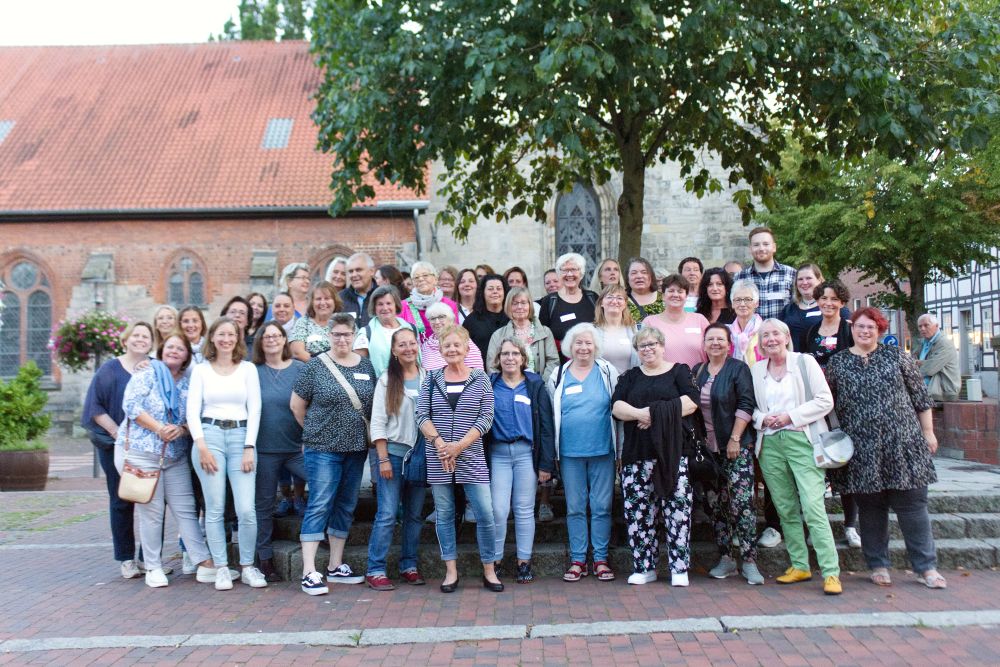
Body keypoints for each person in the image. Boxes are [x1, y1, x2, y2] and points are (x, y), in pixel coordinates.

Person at [827, 307, 946, 589]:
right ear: (851, 329)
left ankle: (926, 567)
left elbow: (920, 398)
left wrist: (928, 432)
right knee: (871, 508)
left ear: (880, 330)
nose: (865, 331)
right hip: (861, 448)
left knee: (913, 506)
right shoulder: (838, 362)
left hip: (903, 443)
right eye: (859, 326)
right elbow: (828, 405)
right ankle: (878, 564)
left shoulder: (897, 357)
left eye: (871, 327)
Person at [115, 330, 216, 588]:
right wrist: (159, 428)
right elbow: (131, 406)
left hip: (174, 455)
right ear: (161, 350)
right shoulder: (146, 374)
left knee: (186, 509)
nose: (174, 351)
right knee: (152, 512)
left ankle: (203, 562)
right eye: (170, 347)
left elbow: (196, 415)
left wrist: (181, 429)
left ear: (186, 356)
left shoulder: (188, 383)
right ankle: (153, 566)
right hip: (144, 453)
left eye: (180, 349)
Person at [750, 318, 841, 595]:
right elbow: (750, 407)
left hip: (803, 440)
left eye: (775, 334)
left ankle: (831, 572)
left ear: (787, 337)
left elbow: (825, 400)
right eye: (765, 336)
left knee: (813, 506)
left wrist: (790, 416)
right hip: (770, 444)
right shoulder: (756, 370)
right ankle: (800, 565)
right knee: (785, 508)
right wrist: (763, 419)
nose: (770, 339)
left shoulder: (804, 362)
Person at [291, 313, 376, 595]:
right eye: (336, 334)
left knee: (346, 504)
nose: (342, 339)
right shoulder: (315, 366)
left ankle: (335, 565)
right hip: (323, 449)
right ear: (329, 336)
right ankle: (308, 570)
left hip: (356, 448)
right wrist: (315, 432)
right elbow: (296, 406)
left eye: (346, 334)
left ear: (354, 336)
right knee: (320, 503)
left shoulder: (366, 366)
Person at [416, 326, 501, 593]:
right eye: (447, 346)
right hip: (439, 456)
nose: (452, 349)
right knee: (444, 514)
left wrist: (459, 446)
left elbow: (486, 418)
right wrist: (442, 445)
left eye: (456, 345)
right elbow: (422, 415)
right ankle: (450, 570)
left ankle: (489, 569)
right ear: (440, 350)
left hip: (472, 455)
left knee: (485, 513)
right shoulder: (431, 378)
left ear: (466, 348)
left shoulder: (481, 378)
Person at [612, 326, 699, 586]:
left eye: (652, 344)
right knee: (638, 513)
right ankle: (644, 567)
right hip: (637, 454)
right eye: (642, 346)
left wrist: (653, 413)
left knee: (677, 511)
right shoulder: (630, 376)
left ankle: (679, 569)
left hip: (672, 454)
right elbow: (617, 407)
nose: (647, 349)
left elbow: (691, 402)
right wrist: (642, 414)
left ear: (662, 346)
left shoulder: (679, 372)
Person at [186, 317, 263, 591]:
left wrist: (249, 446)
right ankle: (221, 568)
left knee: (246, 509)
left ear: (237, 338)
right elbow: (192, 411)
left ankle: (247, 566)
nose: (226, 339)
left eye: (231, 334)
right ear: (212, 338)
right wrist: (202, 446)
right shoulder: (201, 371)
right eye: (221, 334)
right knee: (215, 508)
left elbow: (255, 409)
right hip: (210, 437)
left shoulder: (248, 369)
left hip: (241, 437)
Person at [81, 321, 156, 579]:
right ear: (125, 340)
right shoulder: (109, 370)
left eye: (145, 336)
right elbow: (95, 407)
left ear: (151, 342)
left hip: (149, 446)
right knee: (121, 499)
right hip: (116, 446)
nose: (140, 339)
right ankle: (126, 559)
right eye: (136, 335)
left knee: (151, 501)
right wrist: (118, 434)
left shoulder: (155, 368)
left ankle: (149, 559)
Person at [547, 323, 620, 583]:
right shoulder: (558, 373)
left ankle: (600, 559)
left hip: (603, 450)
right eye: (578, 342)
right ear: (570, 346)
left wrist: (620, 451)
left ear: (596, 346)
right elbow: (552, 413)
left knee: (601, 507)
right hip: (570, 452)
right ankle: (578, 560)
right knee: (575, 507)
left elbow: (618, 409)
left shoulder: (607, 371)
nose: (583, 347)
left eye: (588, 342)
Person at [694, 324, 763, 585]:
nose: (715, 343)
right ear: (704, 344)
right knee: (716, 505)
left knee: (742, 504)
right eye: (710, 339)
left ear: (729, 343)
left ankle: (750, 560)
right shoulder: (697, 371)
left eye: (720, 339)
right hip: (708, 452)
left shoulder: (738, 368)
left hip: (736, 447)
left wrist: (735, 438)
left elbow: (746, 403)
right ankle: (726, 557)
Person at [487, 337, 556, 584]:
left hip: (526, 453)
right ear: (498, 358)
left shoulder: (534, 385)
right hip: (498, 454)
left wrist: (546, 464)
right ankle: (494, 561)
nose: (510, 358)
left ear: (523, 358)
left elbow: (546, 427)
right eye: (505, 354)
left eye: (515, 353)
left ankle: (523, 562)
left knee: (525, 510)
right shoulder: (489, 384)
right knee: (498, 510)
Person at [365, 327, 428, 591]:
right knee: (388, 513)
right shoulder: (386, 380)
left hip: (420, 458)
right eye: (401, 345)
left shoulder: (428, 377)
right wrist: (382, 459)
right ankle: (375, 569)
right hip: (392, 455)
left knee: (414, 515)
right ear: (393, 350)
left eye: (411, 343)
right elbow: (377, 422)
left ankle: (408, 565)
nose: (408, 348)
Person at [251, 321, 306, 582]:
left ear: (285, 339)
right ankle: (265, 558)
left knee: (323, 485)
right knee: (263, 504)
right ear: (260, 342)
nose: (272, 339)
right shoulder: (252, 371)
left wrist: (309, 437)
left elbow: (311, 405)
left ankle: (321, 536)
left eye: (277, 335)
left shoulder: (299, 369)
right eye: (267, 336)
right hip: (264, 450)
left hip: (297, 448)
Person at [485, 286, 559, 381]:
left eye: (523, 303)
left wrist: (541, 385)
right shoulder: (498, 335)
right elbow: (492, 366)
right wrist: (506, 386)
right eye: (515, 303)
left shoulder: (545, 332)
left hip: (541, 386)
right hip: (508, 388)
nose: (519, 307)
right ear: (508, 307)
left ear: (530, 305)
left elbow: (553, 361)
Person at [537, 253, 599, 359]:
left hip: (591, 360)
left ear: (581, 273)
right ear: (559, 274)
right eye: (565, 270)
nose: (569, 274)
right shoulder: (549, 301)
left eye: (574, 269)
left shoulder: (593, 298)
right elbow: (542, 336)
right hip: (559, 363)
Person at [641, 274, 710, 367]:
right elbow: (643, 354)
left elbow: (712, 350)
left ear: (686, 296)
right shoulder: (650, 322)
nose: (676, 295)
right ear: (663, 296)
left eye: (680, 291)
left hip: (697, 375)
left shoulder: (700, 320)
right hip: (661, 375)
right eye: (671, 291)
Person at [734, 227, 796, 321]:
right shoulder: (739, 278)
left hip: (781, 330)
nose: (761, 248)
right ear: (750, 249)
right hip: (749, 331)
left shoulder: (791, 274)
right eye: (756, 245)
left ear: (774, 247)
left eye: (766, 244)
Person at [353, 285, 415, 376]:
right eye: (380, 304)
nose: (385, 308)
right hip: (381, 383)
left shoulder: (411, 328)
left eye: (389, 303)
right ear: (374, 307)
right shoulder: (366, 333)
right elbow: (359, 369)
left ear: (396, 305)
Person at [401, 260, 460, 341]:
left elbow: (456, 333)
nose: (421, 279)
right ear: (413, 282)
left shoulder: (450, 305)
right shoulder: (404, 306)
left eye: (425, 275)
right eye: (416, 277)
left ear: (435, 279)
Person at [801, 280, 854, 369]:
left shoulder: (850, 330)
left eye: (834, 299)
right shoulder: (811, 331)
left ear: (842, 303)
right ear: (817, 301)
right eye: (824, 298)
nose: (828, 303)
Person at [420, 302, 485, 371]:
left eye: (441, 317)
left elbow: (477, 371)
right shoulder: (425, 346)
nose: (437, 322)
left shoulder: (463, 340)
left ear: (450, 319)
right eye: (432, 318)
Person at [462, 273, 510, 366]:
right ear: (483, 293)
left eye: (499, 289)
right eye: (490, 289)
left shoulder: (512, 317)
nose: (495, 292)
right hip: (481, 371)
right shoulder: (471, 321)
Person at [778, 263, 828, 352]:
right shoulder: (788, 309)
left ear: (819, 280)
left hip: (822, 359)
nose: (804, 282)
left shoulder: (831, 307)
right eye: (800, 279)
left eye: (808, 278)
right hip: (793, 359)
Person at [289, 281, 342, 361]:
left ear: (335, 301)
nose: (322, 303)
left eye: (327, 298)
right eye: (318, 299)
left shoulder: (344, 321)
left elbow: (354, 349)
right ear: (312, 302)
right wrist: (321, 365)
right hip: (311, 366)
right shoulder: (303, 322)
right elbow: (297, 352)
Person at [593, 284, 639, 375]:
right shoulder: (591, 331)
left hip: (632, 382)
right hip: (601, 382)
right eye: (609, 297)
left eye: (619, 298)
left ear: (625, 304)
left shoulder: (637, 330)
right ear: (601, 303)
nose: (614, 301)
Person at [915, 313, 961, 402]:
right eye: (920, 326)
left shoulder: (944, 343)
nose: (922, 329)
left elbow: (930, 369)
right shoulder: (922, 343)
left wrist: (919, 363)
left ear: (936, 326)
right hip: (926, 392)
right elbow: (912, 361)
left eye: (926, 325)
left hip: (943, 393)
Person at [728, 280, 765, 366]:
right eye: (738, 300)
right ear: (732, 304)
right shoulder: (727, 333)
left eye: (747, 299)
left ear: (756, 303)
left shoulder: (764, 331)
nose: (742, 304)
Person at [340, 252, 377, 327]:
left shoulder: (382, 296)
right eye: (351, 271)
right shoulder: (340, 298)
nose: (354, 275)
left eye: (358, 270)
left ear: (372, 271)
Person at [625, 257, 663, 322]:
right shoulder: (620, 301)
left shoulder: (664, 299)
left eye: (644, 272)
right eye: (634, 273)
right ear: (627, 278)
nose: (639, 276)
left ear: (651, 276)